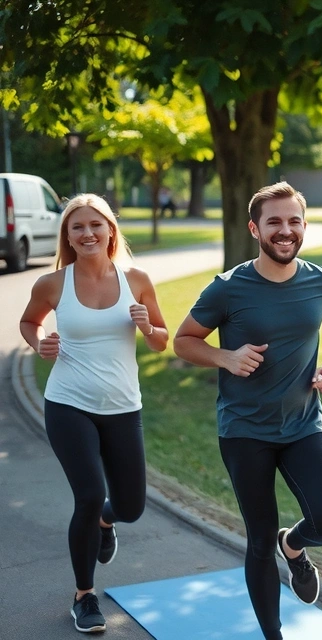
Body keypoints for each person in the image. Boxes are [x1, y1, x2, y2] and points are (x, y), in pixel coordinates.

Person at [173, 182, 322, 640]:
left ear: (304, 226)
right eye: (274, 221)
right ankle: (272, 634)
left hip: (302, 426)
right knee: (258, 538)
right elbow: (183, 341)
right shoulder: (228, 289)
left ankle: (293, 546)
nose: (285, 230)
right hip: (244, 432)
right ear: (255, 228)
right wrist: (225, 357)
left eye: (294, 221)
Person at [19, 194, 169, 634]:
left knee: (131, 506)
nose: (87, 233)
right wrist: (39, 341)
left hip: (123, 407)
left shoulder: (136, 279)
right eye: (77, 227)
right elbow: (30, 322)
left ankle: (108, 520)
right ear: (67, 235)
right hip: (68, 404)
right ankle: (84, 596)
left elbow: (162, 340)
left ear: (110, 231)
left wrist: (147, 327)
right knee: (87, 494)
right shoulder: (53, 284)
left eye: (95, 225)